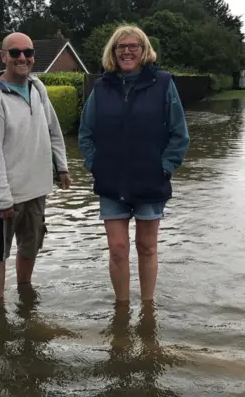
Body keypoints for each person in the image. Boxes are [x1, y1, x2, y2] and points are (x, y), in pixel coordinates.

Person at [78, 25, 190, 303]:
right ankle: (122, 308)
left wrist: (165, 167)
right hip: (111, 181)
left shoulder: (164, 84)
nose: (127, 51)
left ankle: (148, 309)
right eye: (120, 47)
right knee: (117, 248)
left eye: (133, 46)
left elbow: (179, 134)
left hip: (151, 179)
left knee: (147, 246)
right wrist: (96, 165)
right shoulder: (101, 87)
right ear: (113, 53)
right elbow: (86, 133)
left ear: (144, 51)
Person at [0, 32, 71, 300]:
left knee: (30, 250)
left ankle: (24, 300)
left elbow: (53, 129)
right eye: (15, 52)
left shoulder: (38, 87)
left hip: (37, 190)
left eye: (28, 53)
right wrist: (2, 198)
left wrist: (61, 167)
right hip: (6, 199)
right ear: (3, 56)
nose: (22, 58)